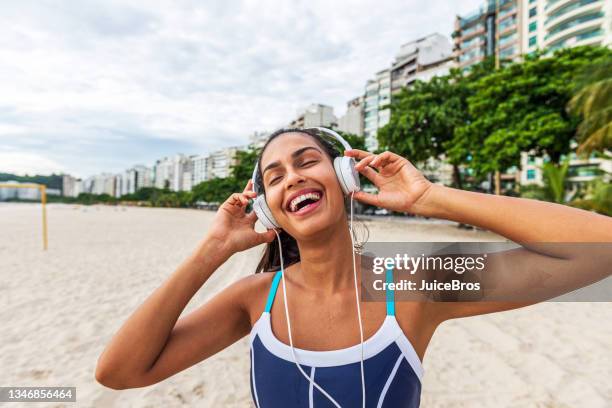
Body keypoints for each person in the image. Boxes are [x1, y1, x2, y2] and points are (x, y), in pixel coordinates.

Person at [95, 128, 612, 407]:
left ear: (344, 176)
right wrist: (211, 251)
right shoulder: (255, 299)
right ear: (267, 208)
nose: (293, 178)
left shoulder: (411, 285)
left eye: (306, 161)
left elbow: (598, 250)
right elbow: (120, 372)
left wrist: (432, 197)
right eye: (274, 176)